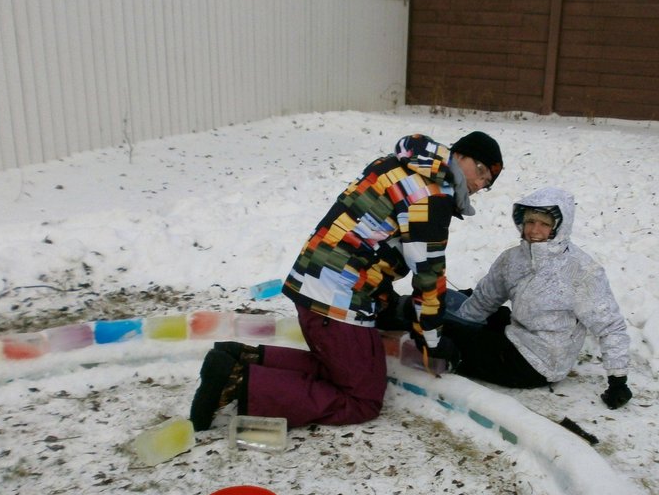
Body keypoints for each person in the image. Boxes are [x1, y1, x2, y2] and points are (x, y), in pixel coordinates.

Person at [189, 131, 504, 431]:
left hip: (315, 281)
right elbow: (428, 276)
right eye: (479, 171)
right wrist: (432, 343)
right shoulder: (432, 197)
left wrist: (387, 303)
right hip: (336, 300)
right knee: (363, 398)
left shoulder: (397, 165)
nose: (478, 183)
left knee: (345, 368)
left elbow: (368, 236)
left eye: (487, 183)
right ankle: (239, 383)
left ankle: (238, 359)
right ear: (458, 154)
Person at [445, 186, 633, 409]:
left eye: (544, 224)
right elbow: (485, 299)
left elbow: (610, 325)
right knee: (464, 309)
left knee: (446, 334)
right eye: (531, 222)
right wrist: (461, 322)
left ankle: (440, 351)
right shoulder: (513, 259)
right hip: (518, 335)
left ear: (558, 228)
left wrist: (618, 381)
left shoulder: (581, 271)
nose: (535, 230)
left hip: (537, 363)